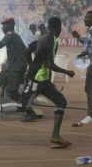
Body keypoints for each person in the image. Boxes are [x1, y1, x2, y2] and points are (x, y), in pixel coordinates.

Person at [20, 17, 75, 148]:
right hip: (36, 79)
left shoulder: (42, 38)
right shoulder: (51, 40)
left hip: (42, 79)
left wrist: (32, 65)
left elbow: (27, 51)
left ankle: (55, 136)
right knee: (22, 106)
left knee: (61, 102)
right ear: (59, 28)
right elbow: (50, 64)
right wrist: (67, 72)